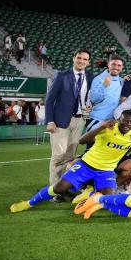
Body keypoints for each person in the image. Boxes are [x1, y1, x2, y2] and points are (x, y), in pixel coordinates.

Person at [10, 111, 131, 213]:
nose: (128, 124)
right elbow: (82, 141)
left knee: (110, 200)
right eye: (124, 121)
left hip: (106, 171)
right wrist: (101, 128)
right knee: (59, 188)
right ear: (118, 119)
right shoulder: (108, 128)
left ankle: (89, 194)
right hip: (86, 165)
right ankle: (28, 203)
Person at [45, 49, 94, 185]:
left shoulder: (90, 77)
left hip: (80, 120)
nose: (81, 61)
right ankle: (54, 190)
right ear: (74, 58)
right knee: (58, 156)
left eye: (85, 59)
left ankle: (63, 186)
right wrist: (50, 120)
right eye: (79, 58)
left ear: (88, 62)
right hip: (60, 121)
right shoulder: (62, 75)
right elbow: (49, 100)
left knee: (69, 157)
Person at [87, 55, 125, 131]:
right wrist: (104, 85)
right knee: (92, 142)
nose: (116, 67)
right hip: (96, 118)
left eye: (119, 65)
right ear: (108, 65)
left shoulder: (121, 81)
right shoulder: (98, 79)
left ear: (122, 67)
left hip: (112, 120)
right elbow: (94, 99)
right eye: (113, 64)